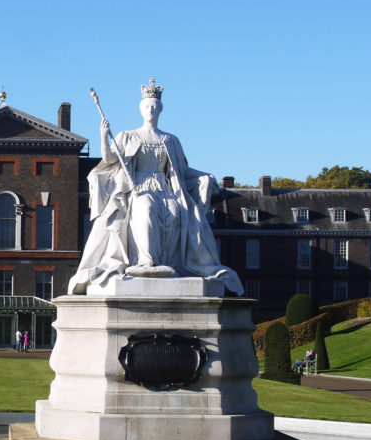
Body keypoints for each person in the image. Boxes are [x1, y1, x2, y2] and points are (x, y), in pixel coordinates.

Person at [68, 79, 242, 295]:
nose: (151, 109)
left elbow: (182, 171)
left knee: (177, 212)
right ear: (141, 110)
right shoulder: (128, 136)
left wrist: (204, 176)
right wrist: (104, 136)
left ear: (160, 110)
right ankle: (146, 262)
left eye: (154, 106)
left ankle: (171, 264)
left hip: (166, 188)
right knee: (145, 208)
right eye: (147, 106)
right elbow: (110, 159)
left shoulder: (170, 140)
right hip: (136, 188)